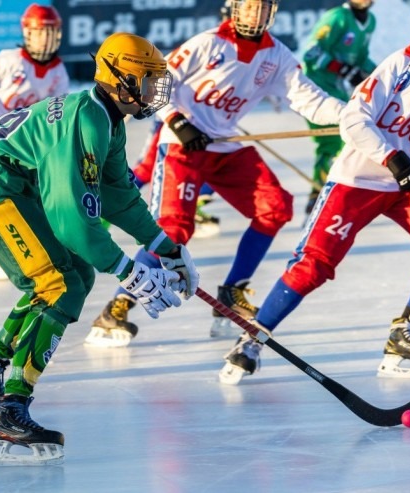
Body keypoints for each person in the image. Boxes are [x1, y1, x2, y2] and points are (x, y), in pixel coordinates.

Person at [0, 32, 199, 465]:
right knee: (60, 283)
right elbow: (72, 219)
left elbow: (117, 194)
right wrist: (128, 270)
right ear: (121, 80)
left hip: (9, 183)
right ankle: (10, 410)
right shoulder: (87, 121)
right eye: (149, 81)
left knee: (75, 275)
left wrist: (164, 246)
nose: (157, 91)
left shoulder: (104, 118)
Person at [219, 0, 410, 385]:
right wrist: (394, 159)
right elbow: (354, 118)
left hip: (408, 185)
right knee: (313, 265)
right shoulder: (399, 66)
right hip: (358, 180)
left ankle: (408, 330)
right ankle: (252, 338)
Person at [85, 0, 345, 348]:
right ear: (234, 9)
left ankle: (231, 292)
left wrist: (350, 116)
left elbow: (309, 99)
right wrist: (179, 122)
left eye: (263, 8)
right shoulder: (207, 43)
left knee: (275, 207)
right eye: (249, 7)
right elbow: (157, 83)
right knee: (174, 228)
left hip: (223, 144)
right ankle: (118, 305)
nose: (256, 15)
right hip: (182, 144)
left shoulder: (277, 55)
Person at [0, 3, 69, 282]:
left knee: (32, 196)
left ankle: (23, 251)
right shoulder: (10, 60)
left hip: (25, 146)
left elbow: (56, 111)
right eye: (39, 33)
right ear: (27, 34)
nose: (45, 40)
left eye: (50, 34)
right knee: (1, 195)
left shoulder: (58, 72)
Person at [301, 0, 376, 215]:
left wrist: (380, 77)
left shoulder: (370, 22)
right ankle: (320, 195)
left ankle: (323, 193)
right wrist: (341, 69)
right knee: (334, 140)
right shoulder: (336, 17)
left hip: (337, 89)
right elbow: (311, 52)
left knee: (351, 137)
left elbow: (361, 59)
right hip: (316, 87)